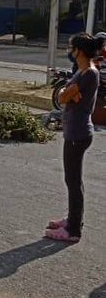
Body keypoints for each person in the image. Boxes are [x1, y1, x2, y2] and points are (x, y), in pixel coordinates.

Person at [45, 32, 104, 243]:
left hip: (78, 133)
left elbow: (63, 96)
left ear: (79, 51)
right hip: (75, 131)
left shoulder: (88, 73)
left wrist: (69, 94)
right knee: (72, 180)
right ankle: (72, 219)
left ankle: (72, 230)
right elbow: (65, 96)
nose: (69, 51)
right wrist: (69, 94)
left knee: (73, 180)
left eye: (71, 48)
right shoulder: (83, 71)